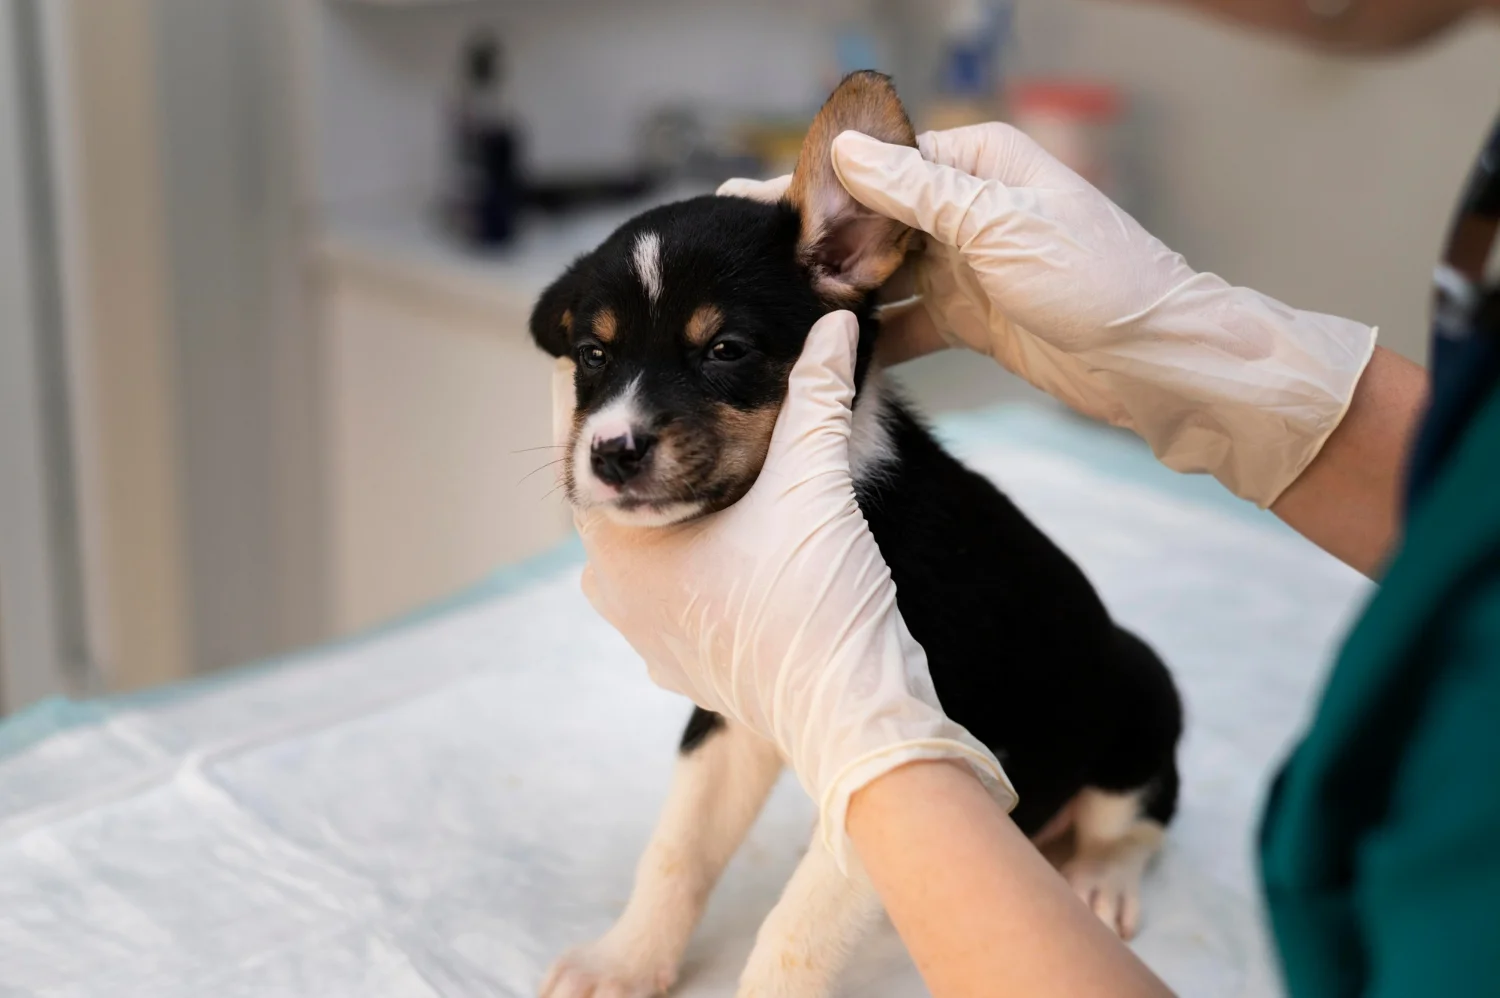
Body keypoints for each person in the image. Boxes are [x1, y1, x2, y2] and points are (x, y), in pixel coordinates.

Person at [565, 1, 1500, 994]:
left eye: (720, 349)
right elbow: (1475, 520)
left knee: (1131, 700)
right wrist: (1217, 364)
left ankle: (1124, 834)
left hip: (1073, 760)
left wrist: (879, 766)